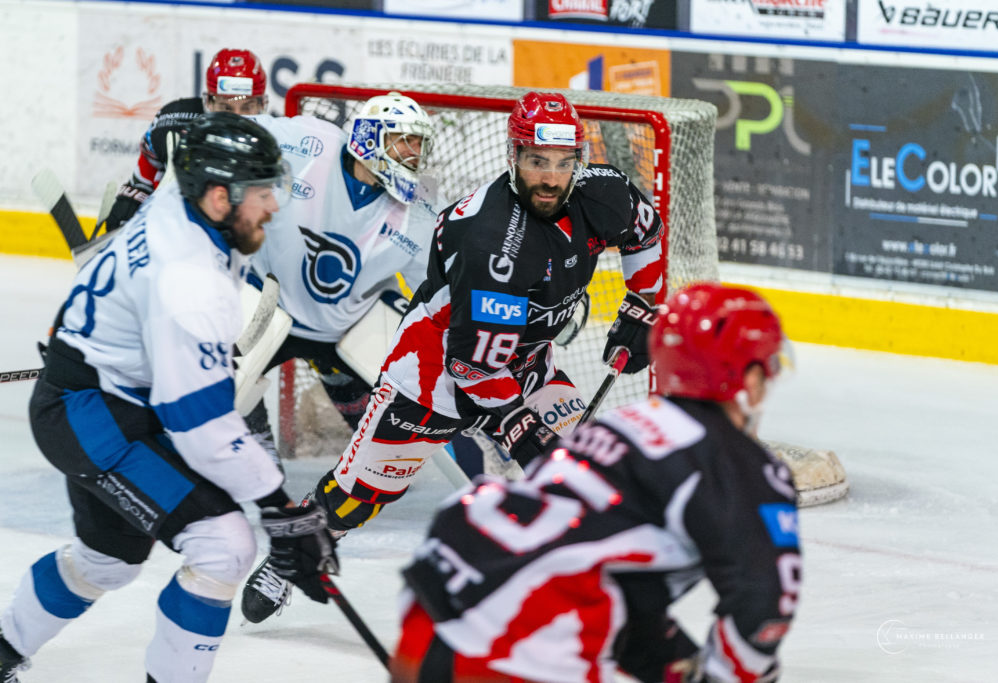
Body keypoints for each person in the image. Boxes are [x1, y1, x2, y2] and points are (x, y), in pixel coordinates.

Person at [241, 90, 665, 621]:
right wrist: (519, 429)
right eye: (537, 161)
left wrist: (643, 305)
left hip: (528, 361)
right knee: (356, 498)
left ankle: (576, 587)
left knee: (583, 466)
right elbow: (473, 366)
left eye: (562, 163)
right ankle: (290, 556)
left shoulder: (602, 192)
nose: (551, 178)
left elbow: (645, 232)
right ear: (513, 156)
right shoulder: (493, 244)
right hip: (432, 377)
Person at [0, 113, 337, 683]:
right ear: (215, 196)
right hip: (93, 417)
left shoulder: (176, 203)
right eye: (260, 193)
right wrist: (281, 507)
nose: (272, 206)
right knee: (224, 545)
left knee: (105, 562)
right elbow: (201, 427)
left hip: (113, 396)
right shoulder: (189, 281)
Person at [391, 282, 803, 683]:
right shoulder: (741, 466)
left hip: (434, 609)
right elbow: (764, 602)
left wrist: (678, 666)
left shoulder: (616, 427)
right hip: (527, 648)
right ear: (748, 379)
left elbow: (616, 590)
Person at [238, 91, 443, 455]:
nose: (413, 152)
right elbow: (238, 129)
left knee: (394, 434)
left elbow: (434, 290)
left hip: (347, 327)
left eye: (419, 143)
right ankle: (262, 468)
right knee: (221, 396)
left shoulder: (422, 207)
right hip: (267, 308)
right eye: (403, 140)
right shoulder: (308, 143)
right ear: (369, 138)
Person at [104, 48, 270, 232]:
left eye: (247, 107)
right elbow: (143, 180)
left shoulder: (274, 145)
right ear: (209, 103)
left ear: (262, 105)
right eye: (226, 107)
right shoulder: (173, 122)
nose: (237, 119)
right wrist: (129, 208)